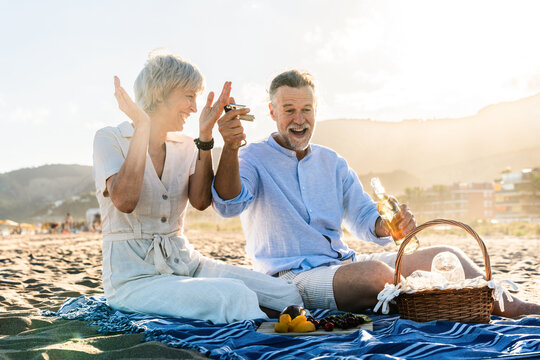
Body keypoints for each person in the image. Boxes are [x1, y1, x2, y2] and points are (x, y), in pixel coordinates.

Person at [212, 69, 540, 318]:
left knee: (446, 254)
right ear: (272, 111)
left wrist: (388, 226)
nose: (300, 120)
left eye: (307, 110)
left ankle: (518, 307)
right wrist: (228, 147)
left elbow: (366, 218)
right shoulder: (251, 157)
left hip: (343, 263)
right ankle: (436, 306)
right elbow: (228, 205)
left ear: (316, 110)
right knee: (377, 276)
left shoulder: (333, 162)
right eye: (289, 110)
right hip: (292, 278)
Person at [92, 53, 302, 324]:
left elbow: (201, 201)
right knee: (234, 297)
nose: (194, 108)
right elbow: (125, 200)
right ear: (159, 94)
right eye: (188, 96)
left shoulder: (186, 145)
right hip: (134, 279)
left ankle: (269, 322)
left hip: (186, 264)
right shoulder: (109, 138)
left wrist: (205, 137)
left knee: (286, 295)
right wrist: (142, 126)